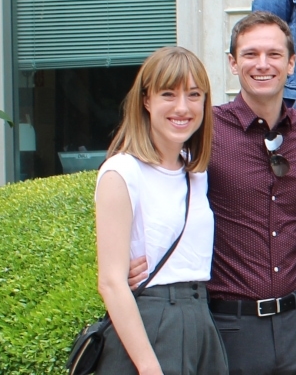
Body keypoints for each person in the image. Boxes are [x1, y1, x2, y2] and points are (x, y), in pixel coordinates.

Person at [204, 12, 296, 374]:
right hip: (232, 326)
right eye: (250, 54)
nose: (262, 65)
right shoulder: (207, 131)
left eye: (274, 55)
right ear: (232, 63)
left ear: (291, 64)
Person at [93, 46, 227, 375]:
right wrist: (149, 367)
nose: (182, 107)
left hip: (200, 320)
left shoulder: (195, 173)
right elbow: (110, 282)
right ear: (146, 100)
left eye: (194, 95)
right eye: (168, 94)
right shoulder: (121, 172)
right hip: (152, 325)